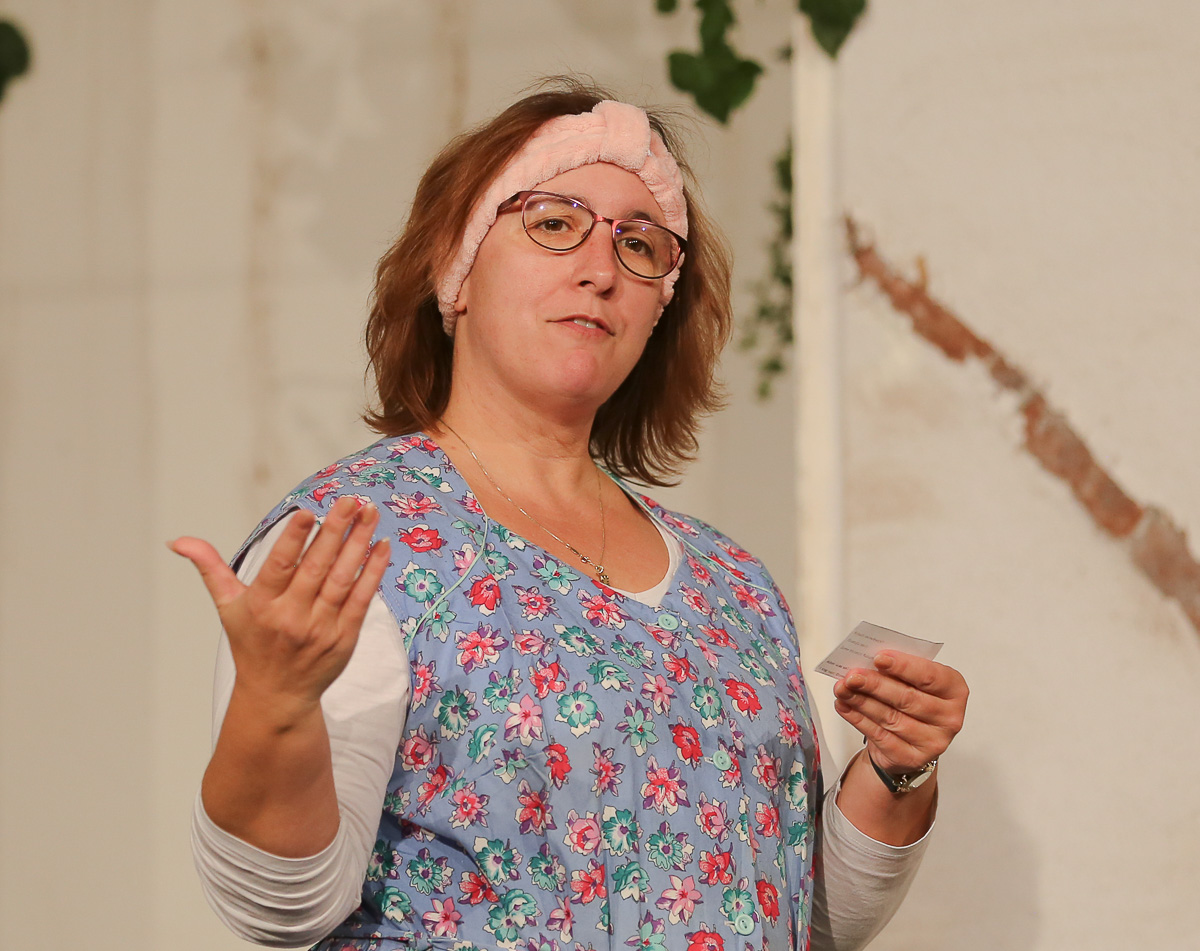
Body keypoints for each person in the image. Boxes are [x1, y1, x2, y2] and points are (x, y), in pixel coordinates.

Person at [173, 80, 968, 951]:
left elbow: (799, 912)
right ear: (455, 270)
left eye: (640, 245)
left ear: (659, 309)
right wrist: (275, 708)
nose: (600, 269)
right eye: (555, 223)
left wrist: (899, 767)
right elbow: (280, 907)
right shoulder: (355, 541)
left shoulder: (734, 585)